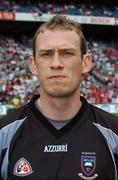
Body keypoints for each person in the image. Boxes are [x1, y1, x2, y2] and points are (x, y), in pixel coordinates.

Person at [0, 15, 118, 180]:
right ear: (33, 64)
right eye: (46, 54)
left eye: (67, 53)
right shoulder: (4, 134)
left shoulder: (114, 134)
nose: (56, 63)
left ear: (86, 62)